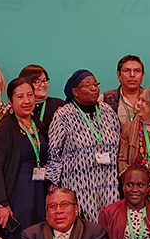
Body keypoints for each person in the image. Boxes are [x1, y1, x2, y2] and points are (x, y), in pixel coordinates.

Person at [46, 70, 120, 222]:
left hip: (109, 184)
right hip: (79, 185)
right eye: (87, 85)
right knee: (84, 231)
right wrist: (54, 185)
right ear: (75, 92)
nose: (94, 88)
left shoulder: (108, 111)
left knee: (109, 225)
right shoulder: (63, 115)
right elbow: (54, 153)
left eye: (95, 84)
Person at [0, 77, 50, 239]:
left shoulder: (38, 125)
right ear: (10, 100)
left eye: (30, 95)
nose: (27, 101)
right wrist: (3, 203)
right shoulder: (5, 128)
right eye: (20, 97)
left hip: (39, 189)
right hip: (17, 192)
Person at [102, 55, 146, 126]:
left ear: (142, 76)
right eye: (127, 70)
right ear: (118, 75)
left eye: (137, 71)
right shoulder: (106, 99)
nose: (132, 75)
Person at [19, 64, 64, 131]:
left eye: (45, 80)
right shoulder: (21, 106)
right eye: (37, 82)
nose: (43, 85)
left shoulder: (58, 105)